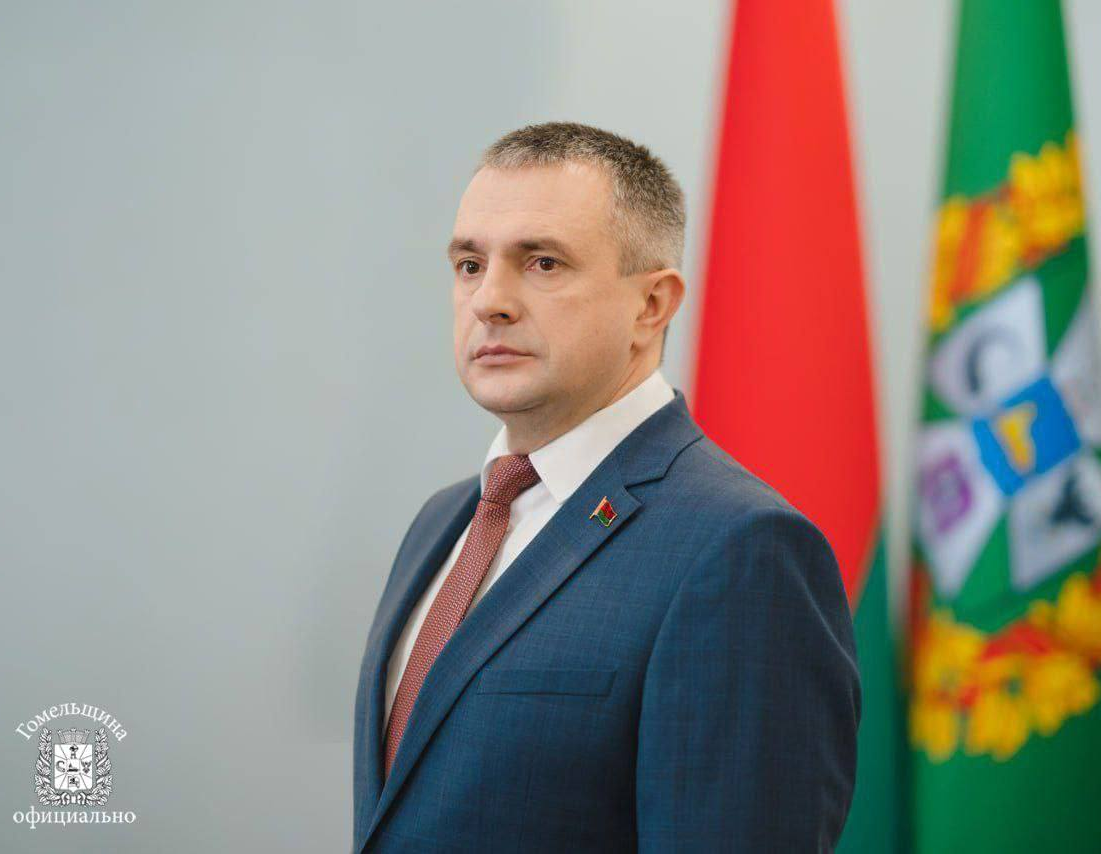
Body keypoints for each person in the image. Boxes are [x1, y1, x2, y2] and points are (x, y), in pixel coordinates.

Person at [352, 121, 860, 853]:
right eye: (469, 264)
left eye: (543, 263)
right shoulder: (444, 521)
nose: (489, 300)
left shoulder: (741, 549)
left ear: (652, 305)